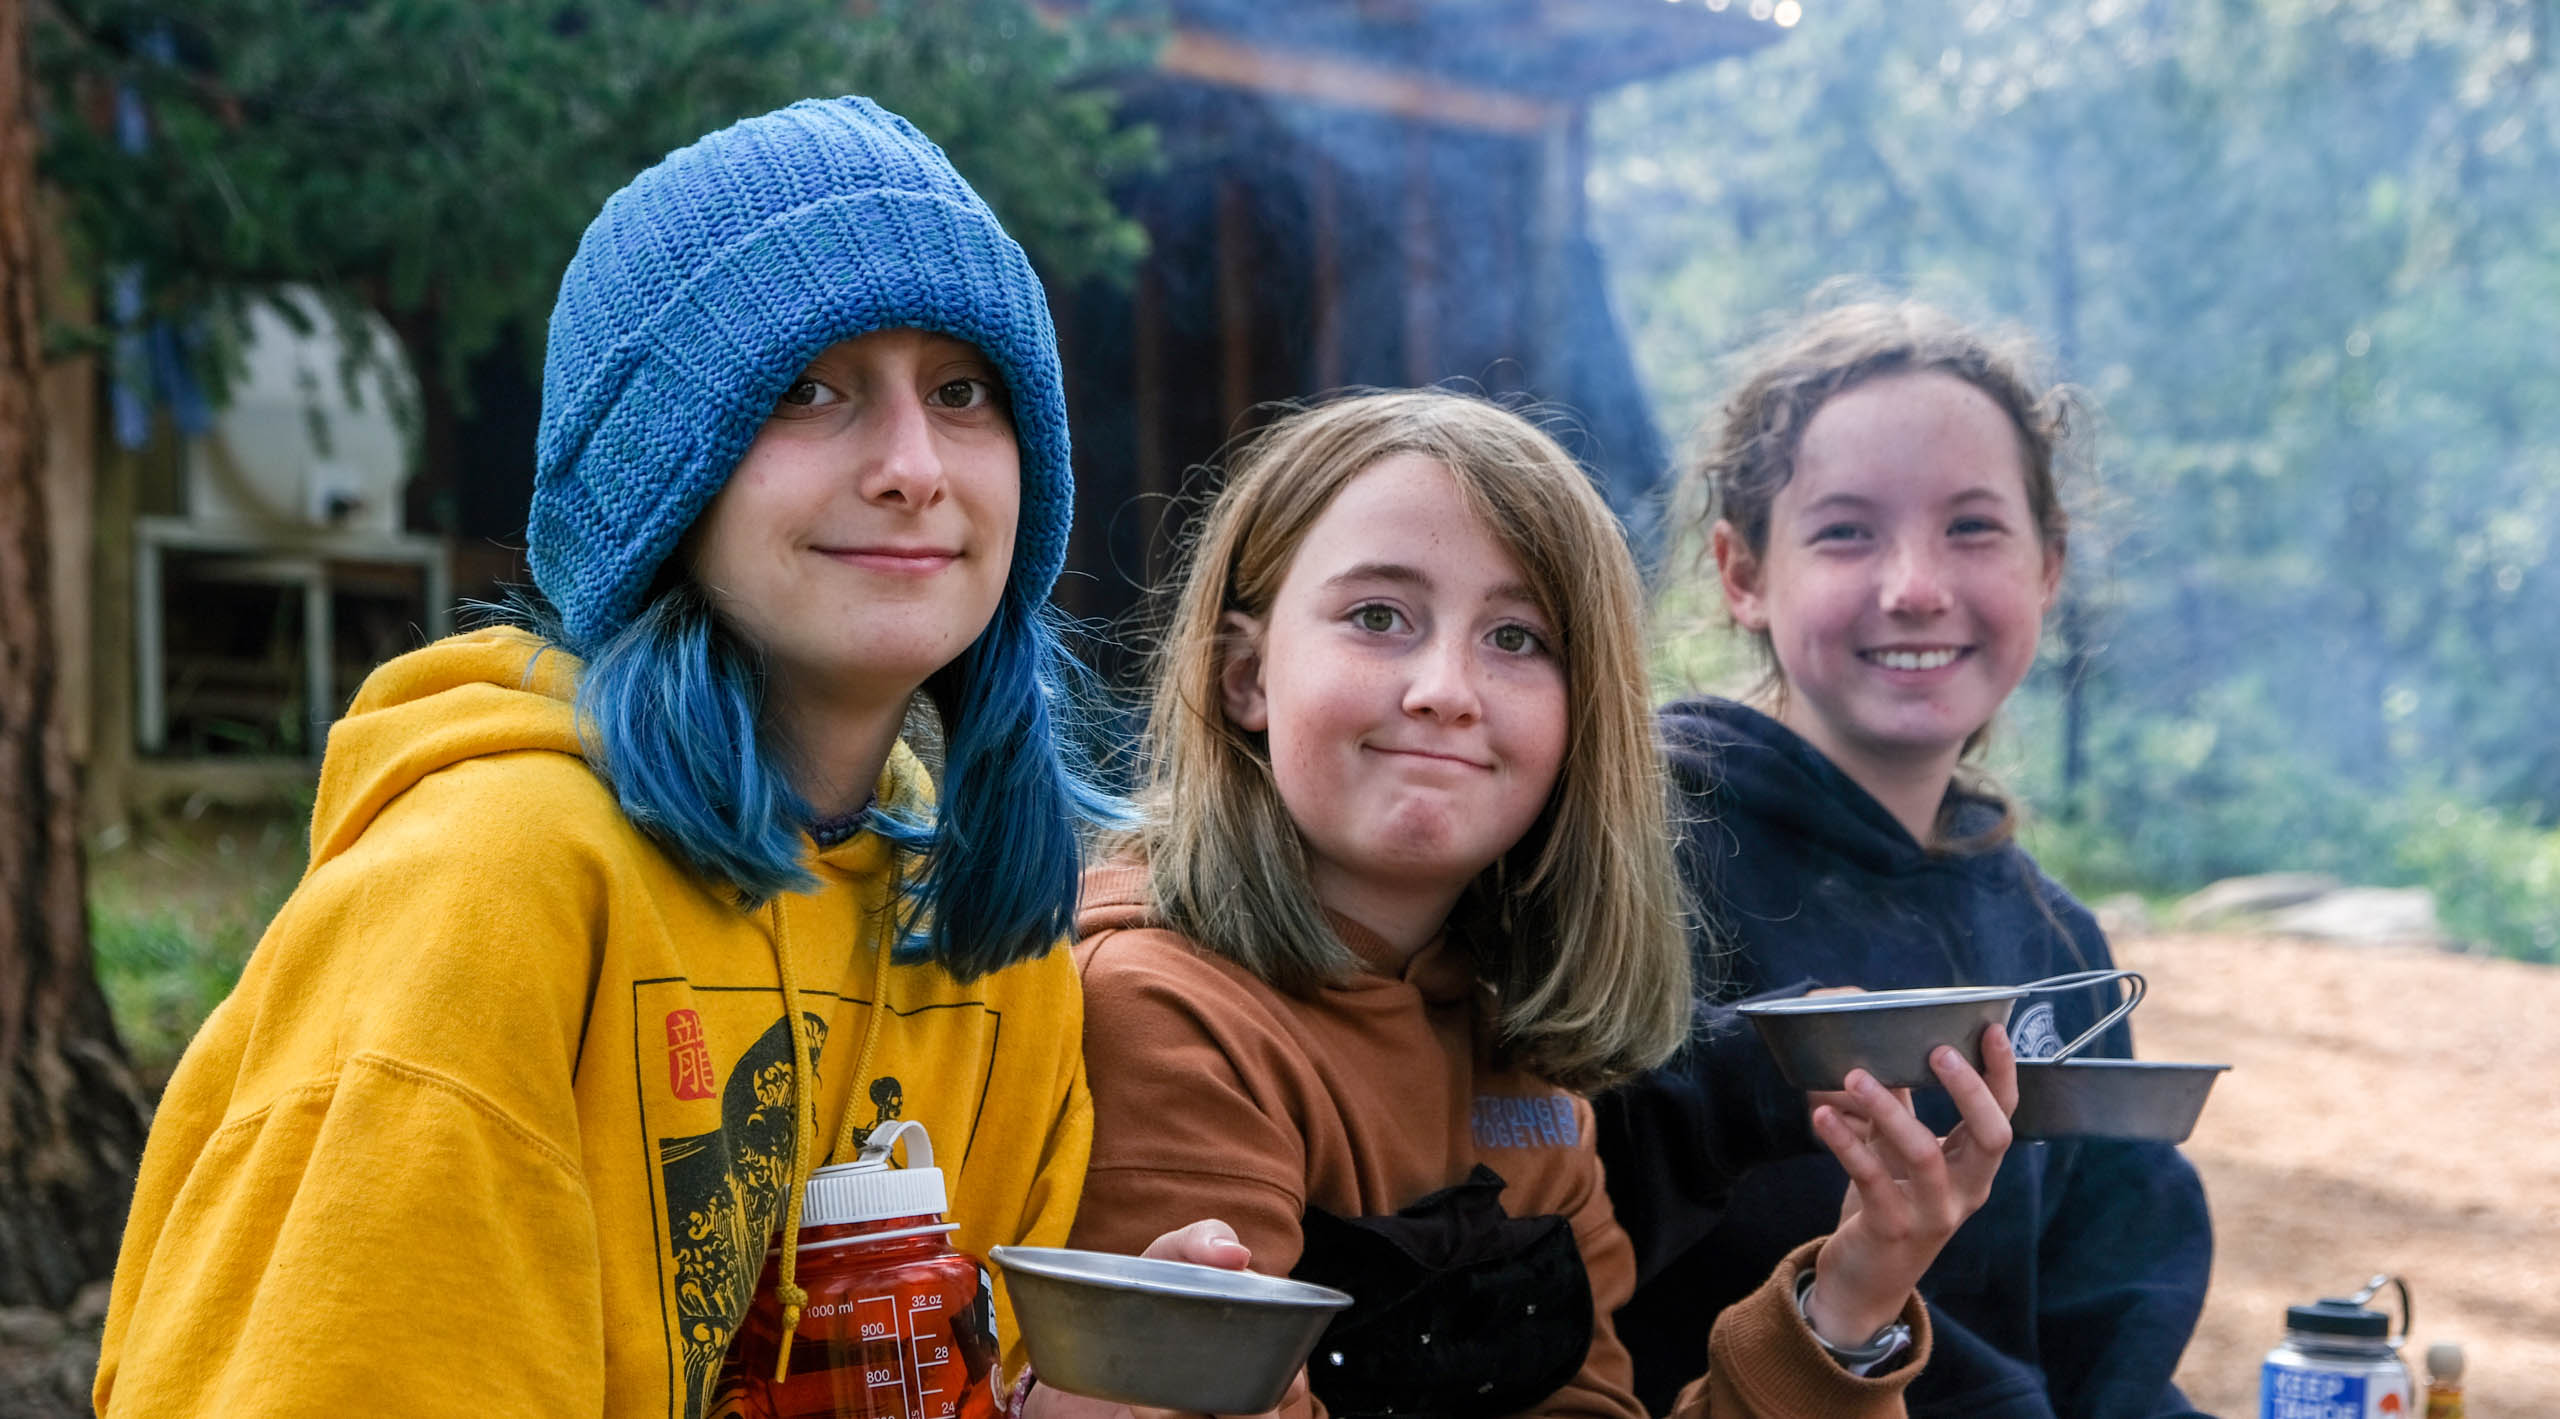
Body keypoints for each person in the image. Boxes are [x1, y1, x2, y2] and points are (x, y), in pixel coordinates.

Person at [95, 97, 1127, 1418]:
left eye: (964, 390)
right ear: (660, 469)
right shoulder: (485, 885)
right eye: (810, 387)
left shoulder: (981, 928)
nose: (914, 466)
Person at [1066, 390, 2020, 1419]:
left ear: (1584, 716)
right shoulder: (1160, 1010)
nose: (1445, 688)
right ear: (1246, 678)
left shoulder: (1524, 1054)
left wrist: (1855, 1293)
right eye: (1377, 616)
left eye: (1516, 637)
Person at [1595, 301, 2216, 1419]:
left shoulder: (2053, 938)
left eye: (1972, 528)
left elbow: (2108, 1319)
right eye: (1845, 532)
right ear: (1741, 573)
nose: (1915, 585)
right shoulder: (1632, 858)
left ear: (2048, 568)